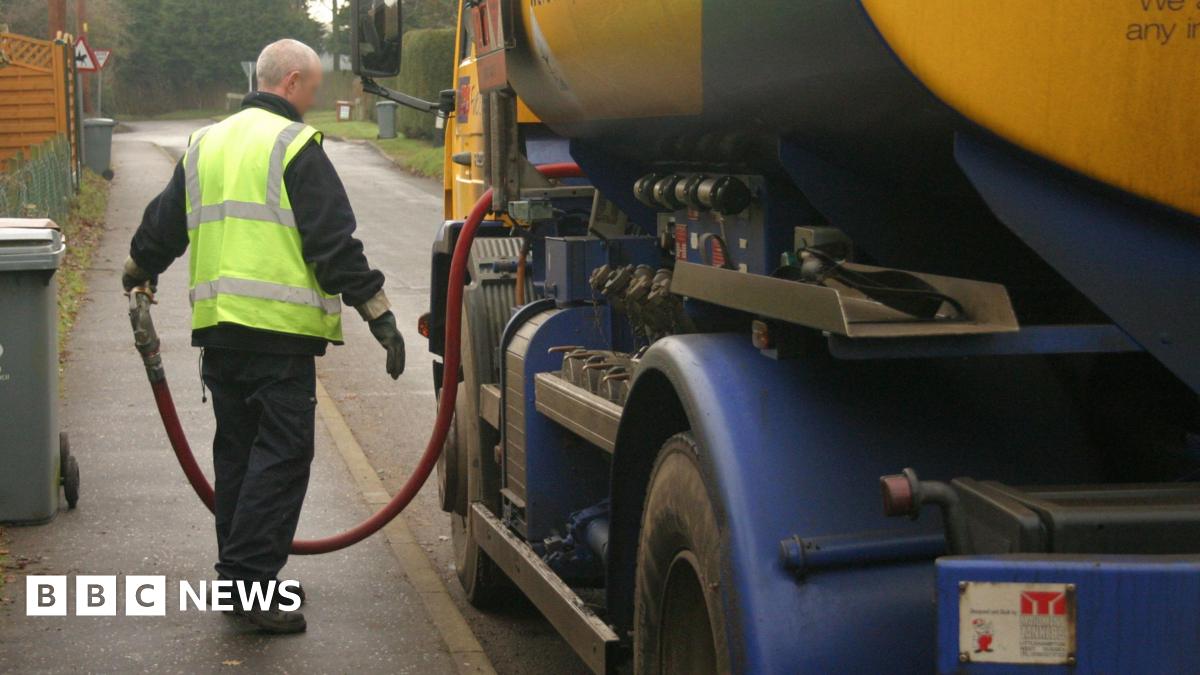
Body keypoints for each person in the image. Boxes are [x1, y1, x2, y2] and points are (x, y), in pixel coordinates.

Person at [121, 38, 406, 634]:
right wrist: (377, 311)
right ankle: (250, 587)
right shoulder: (295, 145)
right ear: (293, 81)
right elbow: (332, 245)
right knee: (280, 457)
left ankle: (242, 578)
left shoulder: (208, 141)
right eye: (315, 85)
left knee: (239, 455)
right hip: (277, 338)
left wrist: (139, 268)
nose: (316, 97)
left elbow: (163, 225)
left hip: (221, 334)